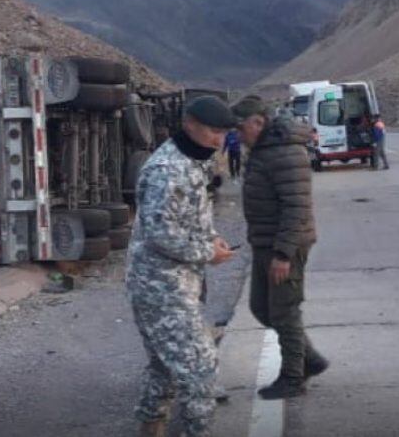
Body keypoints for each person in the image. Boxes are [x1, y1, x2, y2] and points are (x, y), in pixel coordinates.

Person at [126, 96, 237, 437]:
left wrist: (212, 238)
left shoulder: (193, 160)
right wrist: (208, 252)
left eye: (223, 133)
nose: (219, 141)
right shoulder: (167, 170)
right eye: (212, 132)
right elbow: (161, 234)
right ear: (189, 123)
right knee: (201, 366)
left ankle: (151, 426)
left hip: (176, 281)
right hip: (160, 285)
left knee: (166, 365)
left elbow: (189, 217)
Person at [232, 95, 329, 400]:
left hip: (285, 245)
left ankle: (293, 377)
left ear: (258, 122)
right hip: (264, 243)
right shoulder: (263, 150)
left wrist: (283, 254)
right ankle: (309, 359)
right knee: (261, 308)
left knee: (284, 311)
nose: (237, 135)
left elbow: (296, 207)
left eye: (240, 128)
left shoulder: (285, 153)